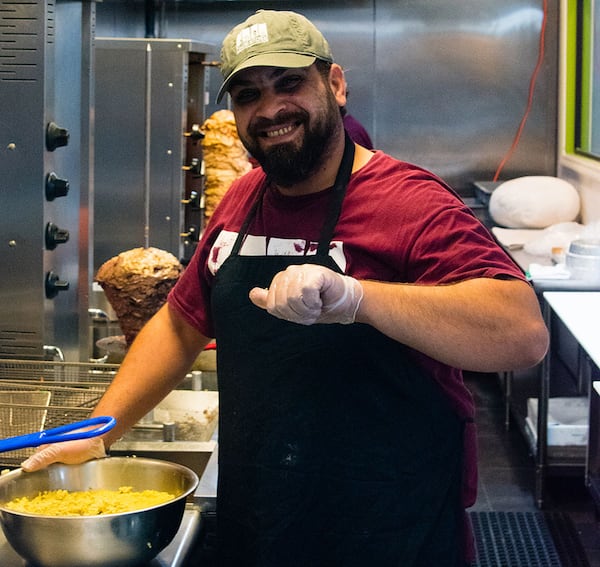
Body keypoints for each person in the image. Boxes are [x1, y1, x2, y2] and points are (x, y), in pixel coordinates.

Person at [22, 9, 549, 567]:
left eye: (290, 83)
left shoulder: (411, 201)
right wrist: (104, 429)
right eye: (248, 94)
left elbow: (521, 334)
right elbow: (182, 323)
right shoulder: (244, 198)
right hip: (264, 512)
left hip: (390, 527)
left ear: (337, 85)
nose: (270, 109)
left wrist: (358, 298)